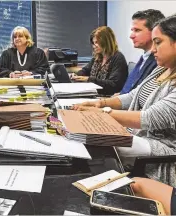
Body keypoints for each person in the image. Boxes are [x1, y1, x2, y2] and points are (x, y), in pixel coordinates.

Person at [72, 15, 176, 187]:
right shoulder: (161, 68)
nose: (154, 48)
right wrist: (101, 104)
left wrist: (103, 114)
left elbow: (151, 118)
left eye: (158, 42)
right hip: (140, 135)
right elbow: (133, 95)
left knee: (98, 144)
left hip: (163, 147)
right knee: (88, 139)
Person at [71, 26, 128, 96]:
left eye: (97, 42)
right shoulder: (98, 57)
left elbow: (113, 86)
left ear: (106, 42)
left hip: (107, 97)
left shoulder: (118, 58)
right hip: (94, 94)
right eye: (93, 43)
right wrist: (77, 75)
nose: (94, 46)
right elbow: (85, 70)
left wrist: (89, 79)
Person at [120, 9, 165, 95]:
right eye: (132, 30)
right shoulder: (144, 57)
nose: (131, 36)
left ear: (154, 32)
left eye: (137, 30)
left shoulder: (160, 62)